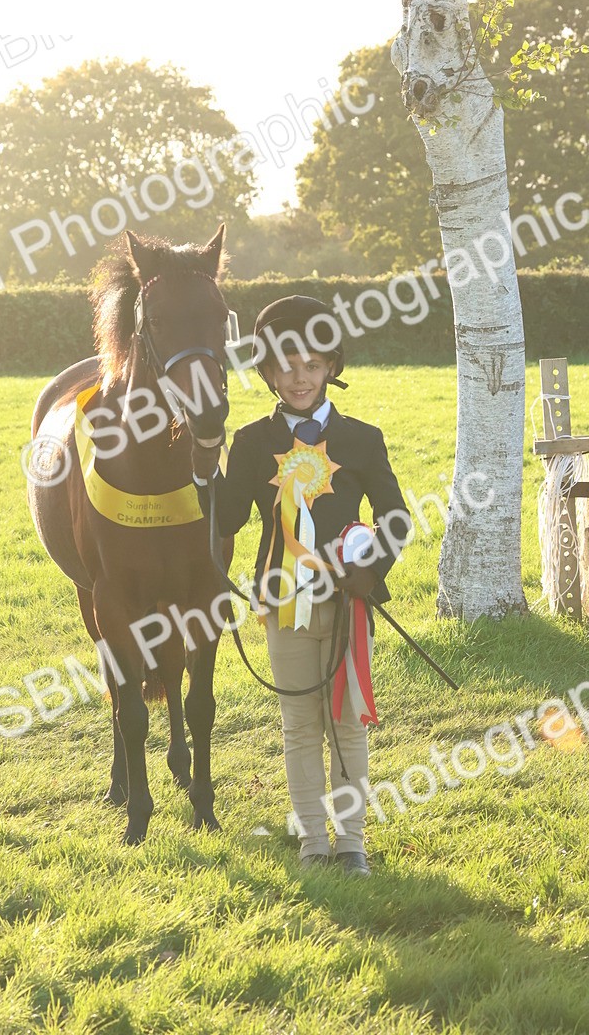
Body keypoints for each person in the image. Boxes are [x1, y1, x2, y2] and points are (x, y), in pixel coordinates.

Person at [192, 295, 411, 876]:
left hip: (347, 605)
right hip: (282, 603)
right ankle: (314, 840)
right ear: (267, 372)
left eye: (313, 365)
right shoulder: (250, 442)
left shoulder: (362, 438)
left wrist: (371, 571)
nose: (300, 378)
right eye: (286, 366)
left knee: (346, 724)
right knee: (299, 726)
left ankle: (352, 842)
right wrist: (203, 470)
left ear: (331, 367)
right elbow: (228, 517)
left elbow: (396, 517)